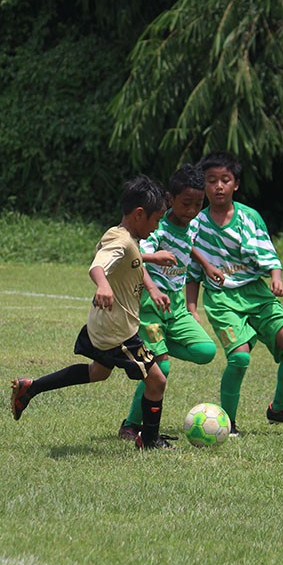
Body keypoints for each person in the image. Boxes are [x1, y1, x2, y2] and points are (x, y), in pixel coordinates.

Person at [10, 174, 174, 450]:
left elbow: (133, 261)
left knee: (99, 372)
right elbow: (98, 265)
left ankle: (31, 387)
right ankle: (149, 440)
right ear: (139, 214)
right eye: (156, 220)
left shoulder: (124, 237)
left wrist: (153, 287)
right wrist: (103, 285)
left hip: (105, 324)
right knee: (157, 381)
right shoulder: (119, 241)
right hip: (118, 330)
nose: (157, 226)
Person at [185, 150, 283, 434]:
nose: (218, 186)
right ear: (203, 186)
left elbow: (268, 254)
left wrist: (276, 279)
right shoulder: (195, 224)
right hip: (222, 300)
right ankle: (228, 424)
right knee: (239, 358)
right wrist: (192, 309)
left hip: (257, 294)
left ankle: (280, 408)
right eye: (211, 181)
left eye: (225, 180)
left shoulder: (249, 217)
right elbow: (193, 273)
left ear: (236, 184)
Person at [118, 164, 220, 442]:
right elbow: (137, 259)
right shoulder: (156, 227)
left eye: (199, 204)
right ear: (170, 199)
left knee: (205, 350)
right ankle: (130, 424)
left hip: (175, 306)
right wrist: (152, 287)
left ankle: (155, 346)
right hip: (152, 307)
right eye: (186, 204)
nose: (192, 210)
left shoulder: (194, 223)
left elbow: (187, 244)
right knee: (159, 369)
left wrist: (206, 265)